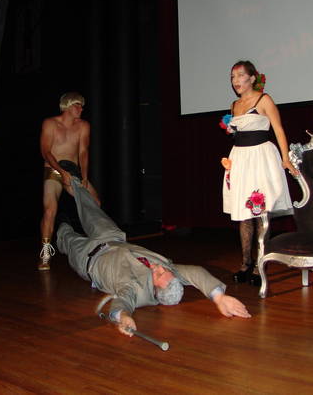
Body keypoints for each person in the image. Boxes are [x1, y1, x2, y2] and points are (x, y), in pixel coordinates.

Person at [57, 178, 251, 337]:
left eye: (158, 274)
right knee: (91, 208)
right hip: (111, 237)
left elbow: (121, 304)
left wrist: (123, 317)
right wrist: (219, 297)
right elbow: (196, 273)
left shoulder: (136, 290)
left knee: (65, 236)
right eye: (163, 270)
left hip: (88, 258)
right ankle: (71, 177)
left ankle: (60, 222)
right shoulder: (169, 273)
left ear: (156, 290)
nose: (159, 267)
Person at [221, 60, 297, 285]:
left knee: (261, 212)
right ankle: (246, 263)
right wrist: (230, 129)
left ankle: (260, 266)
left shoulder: (264, 100)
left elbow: (278, 129)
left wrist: (286, 159)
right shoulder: (234, 105)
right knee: (243, 213)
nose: (235, 81)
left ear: (252, 78)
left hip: (261, 158)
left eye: (240, 76)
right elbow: (237, 133)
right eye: (232, 77)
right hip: (240, 159)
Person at [39, 92, 100, 271]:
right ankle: (45, 252)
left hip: (73, 171)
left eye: (82, 106)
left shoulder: (83, 126)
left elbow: (83, 152)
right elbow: (45, 152)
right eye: (77, 105)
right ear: (67, 105)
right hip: (53, 169)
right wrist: (60, 171)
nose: (81, 109)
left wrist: (85, 176)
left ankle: (96, 247)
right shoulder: (50, 123)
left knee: (95, 203)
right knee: (50, 209)